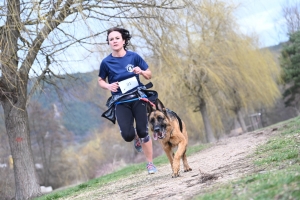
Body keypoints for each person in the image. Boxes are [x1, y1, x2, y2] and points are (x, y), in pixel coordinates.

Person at [98, 27, 157, 174]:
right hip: (120, 102)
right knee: (127, 135)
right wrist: (108, 86)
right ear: (109, 43)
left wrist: (141, 71)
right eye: (111, 39)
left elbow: (149, 75)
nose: (114, 41)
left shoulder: (134, 57)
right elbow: (100, 80)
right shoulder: (106, 62)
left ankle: (150, 164)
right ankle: (134, 136)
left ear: (123, 41)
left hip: (138, 98)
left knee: (144, 131)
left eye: (117, 38)